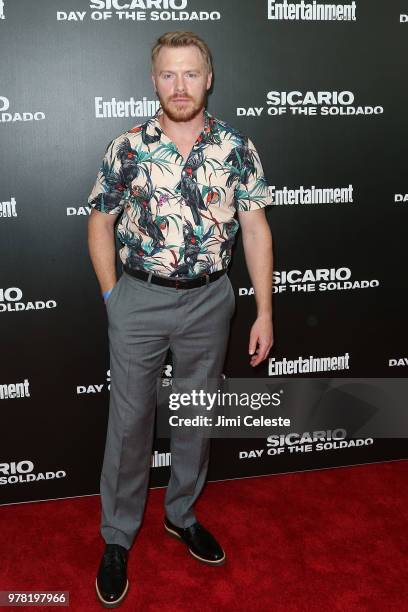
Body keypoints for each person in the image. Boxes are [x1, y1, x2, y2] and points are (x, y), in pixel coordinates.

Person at [87, 30, 274, 608]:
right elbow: (100, 223)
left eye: (190, 73)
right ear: (154, 81)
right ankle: (118, 537)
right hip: (139, 299)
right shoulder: (127, 147)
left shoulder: (237, 148)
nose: (180, 85)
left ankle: (181, 514)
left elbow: (255, 228)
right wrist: (114, 298)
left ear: (209, 78)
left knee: (195, 414)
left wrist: (265, 309)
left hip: (209, 301)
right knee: (130, 422)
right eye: (168, 74)